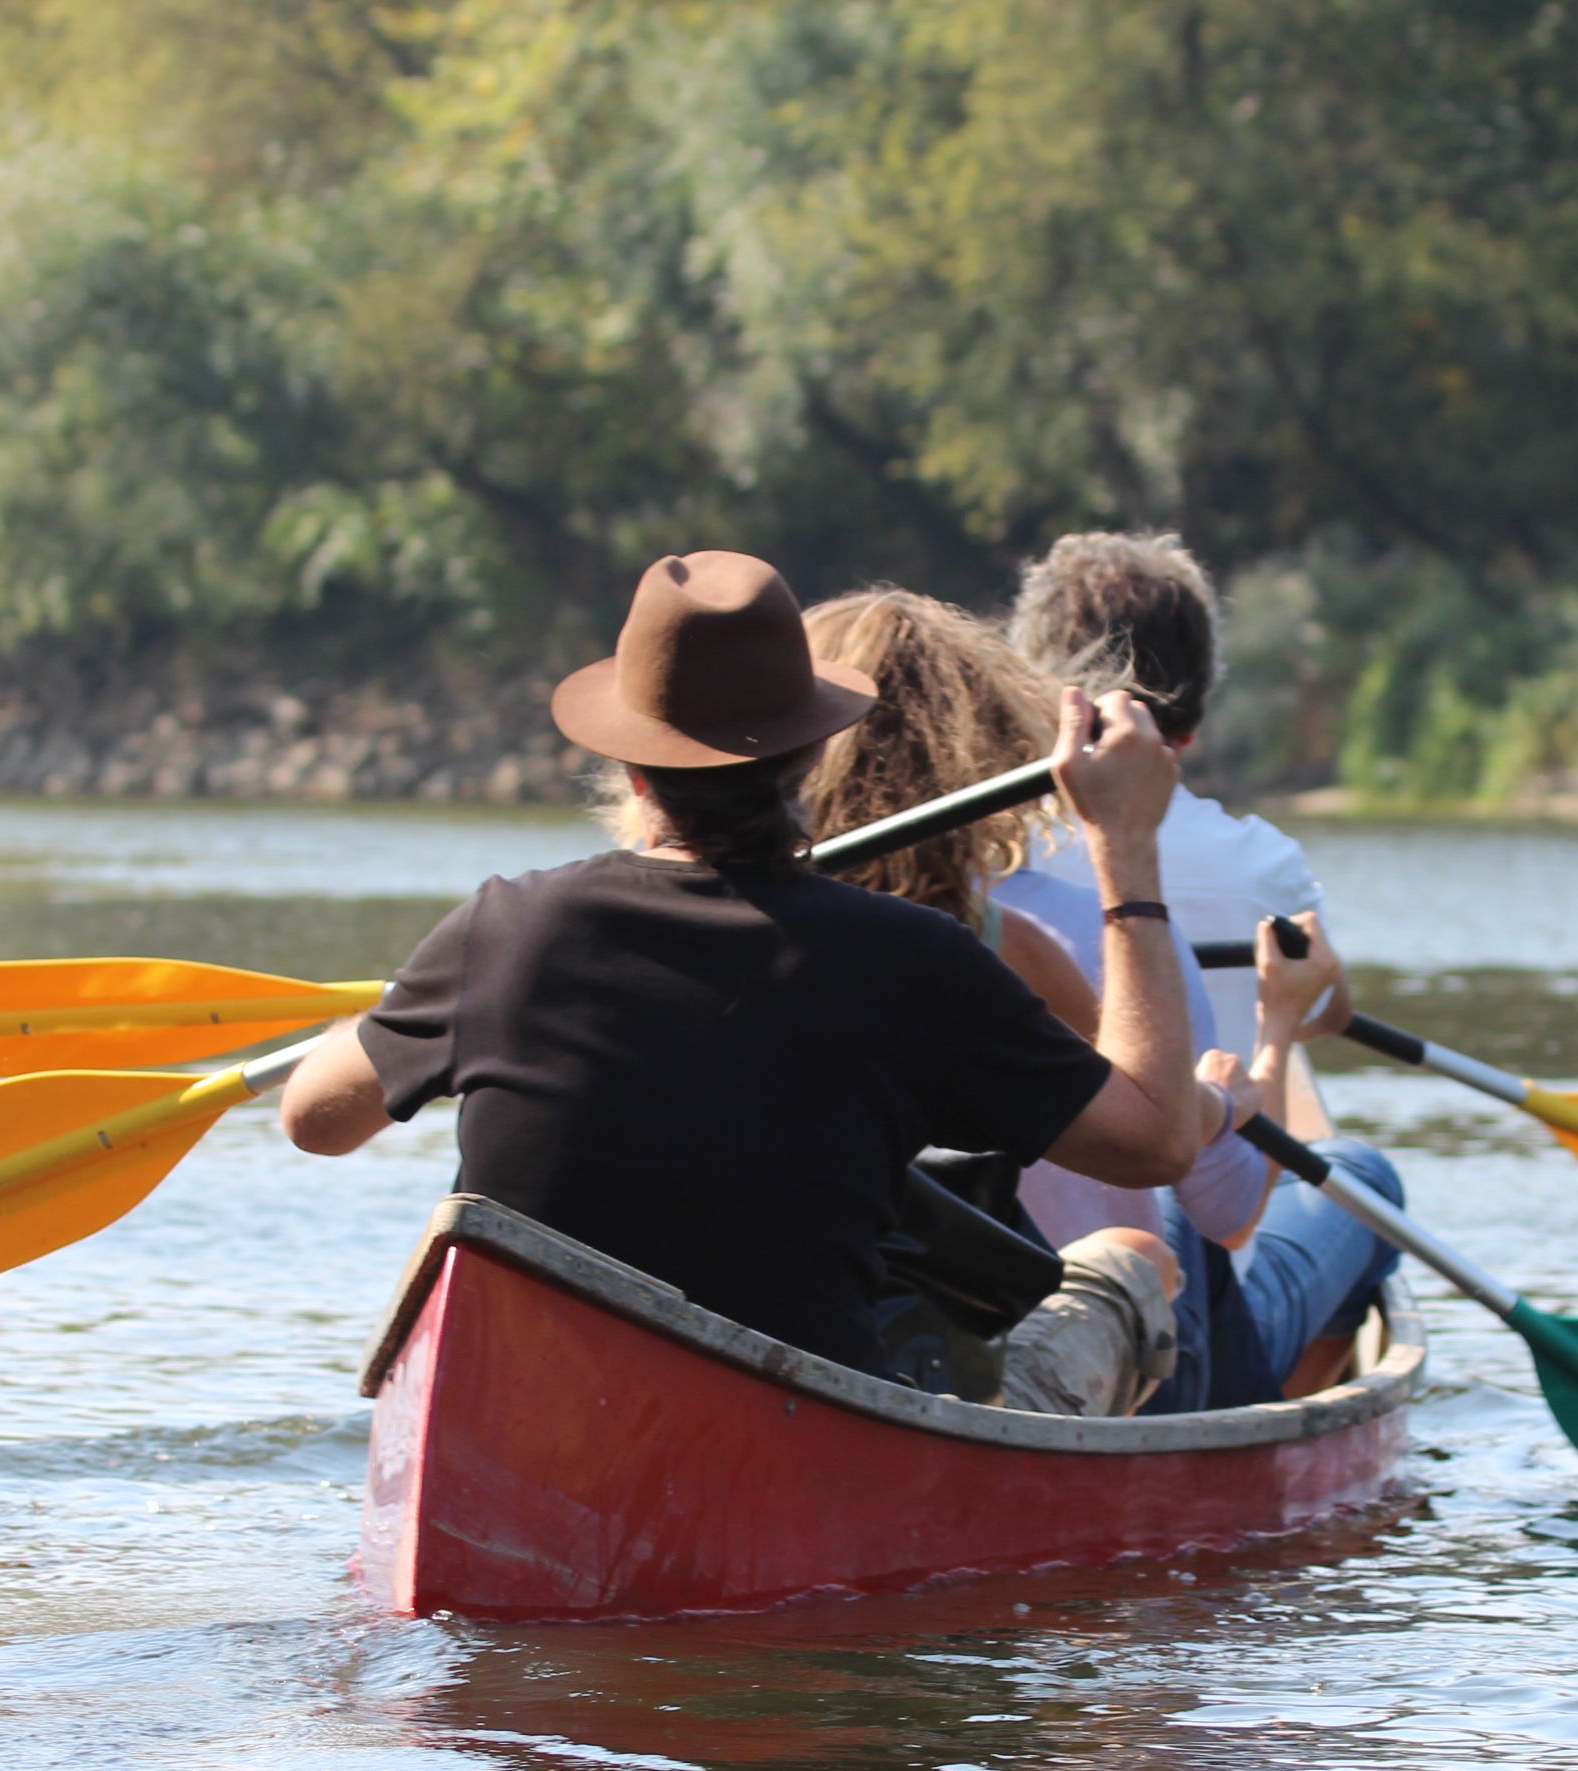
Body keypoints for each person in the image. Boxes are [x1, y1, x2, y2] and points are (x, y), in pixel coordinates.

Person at [275, 550, 1216, 1385]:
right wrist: (1124, 848)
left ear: (633, 770)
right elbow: (1157, 1139)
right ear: (808, 759)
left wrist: (388, 1022)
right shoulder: (915, 960)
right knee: (1132, 1265)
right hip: (798, 1424)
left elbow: (313, 1121)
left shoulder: (506, 927)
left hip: (530, 1399)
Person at [791, 586, 1347, 1416]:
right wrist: (1242, 1081)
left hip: (841, 1339)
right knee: (1300, 1191)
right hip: (999, 1359)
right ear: (979, 759)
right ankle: (1273, 1413)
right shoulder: (1004, 946)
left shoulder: (727, 927)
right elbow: (1190, 1168)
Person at [999, 530, 1407, 1407]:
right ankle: (1272, 1407)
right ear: (1198, 696)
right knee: (1362, 1173)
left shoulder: (995, 858)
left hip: (1021, 1276)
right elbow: (1329, 1008)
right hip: (1191, 1265)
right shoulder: (1265, 865)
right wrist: (1279, 1025)